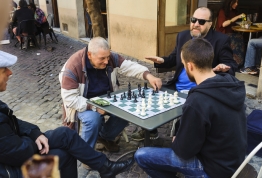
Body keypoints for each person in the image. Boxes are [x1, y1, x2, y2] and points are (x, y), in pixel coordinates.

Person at [0, 50, 134, 178]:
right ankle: (106, 167)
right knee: (64, 156)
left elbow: (12, 121)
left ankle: (106, 167)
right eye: (4, 70)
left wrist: (34, 132)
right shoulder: (75, 65)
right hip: (11, 172)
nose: (10, 72)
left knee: (65, 134)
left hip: (14, 152)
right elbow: (19, 153)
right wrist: (36, 142)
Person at [134, 38, 247, 178]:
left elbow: (184, 151)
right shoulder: (230, 84)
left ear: (190, 66)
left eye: (183, 64)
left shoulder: (198, 100)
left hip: (213, 170)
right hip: (234, 162)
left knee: (141, 155)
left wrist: (177, 141)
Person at [132, 7, 238, 141]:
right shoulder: (183, 36)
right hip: (177, 86)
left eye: (201, 21)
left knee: (189, 111)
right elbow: (174, 57)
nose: (196, 24)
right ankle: (151, 131)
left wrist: (224, 68)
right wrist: (162, 60)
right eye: (193, 20)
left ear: (210, 24)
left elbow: (232, 65)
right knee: (149, 96)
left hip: (200, 89)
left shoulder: (220, 40)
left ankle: (180, 142)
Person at [59, 37, 162, 153]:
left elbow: (129, 66)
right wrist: (94, 107)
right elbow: (70, 99)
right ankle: (86, 154)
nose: (107, 61)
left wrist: (148, 76)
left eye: (108, 57)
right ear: (89, 55)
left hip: (107, 99)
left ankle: (104, 137)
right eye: (102, 58)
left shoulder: (110, 58)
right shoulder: (72, 67)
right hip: (83, 103)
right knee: (93, 119)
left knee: (127, 112)